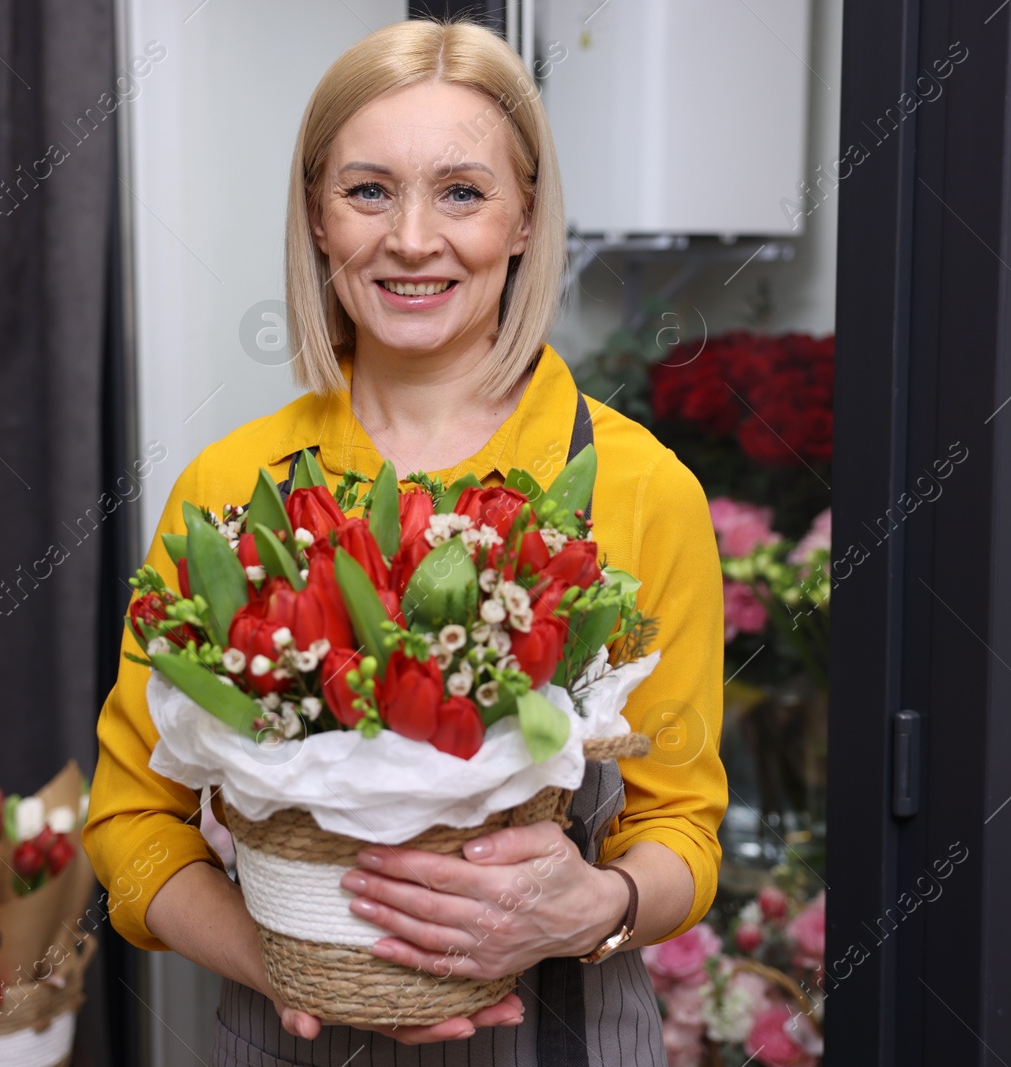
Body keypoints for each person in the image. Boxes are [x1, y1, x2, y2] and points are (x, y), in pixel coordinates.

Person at [83, 18, 726, 1066]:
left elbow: (684, 832)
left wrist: (592, 907)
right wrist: (282, 960)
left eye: (463, 192)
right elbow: (130, 824)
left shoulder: (640, 488)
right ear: (317, 218)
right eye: (369, 190)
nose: (413, 239)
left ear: (523, 216)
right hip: (289, 1038)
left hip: (556, 1037)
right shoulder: (229, 490)